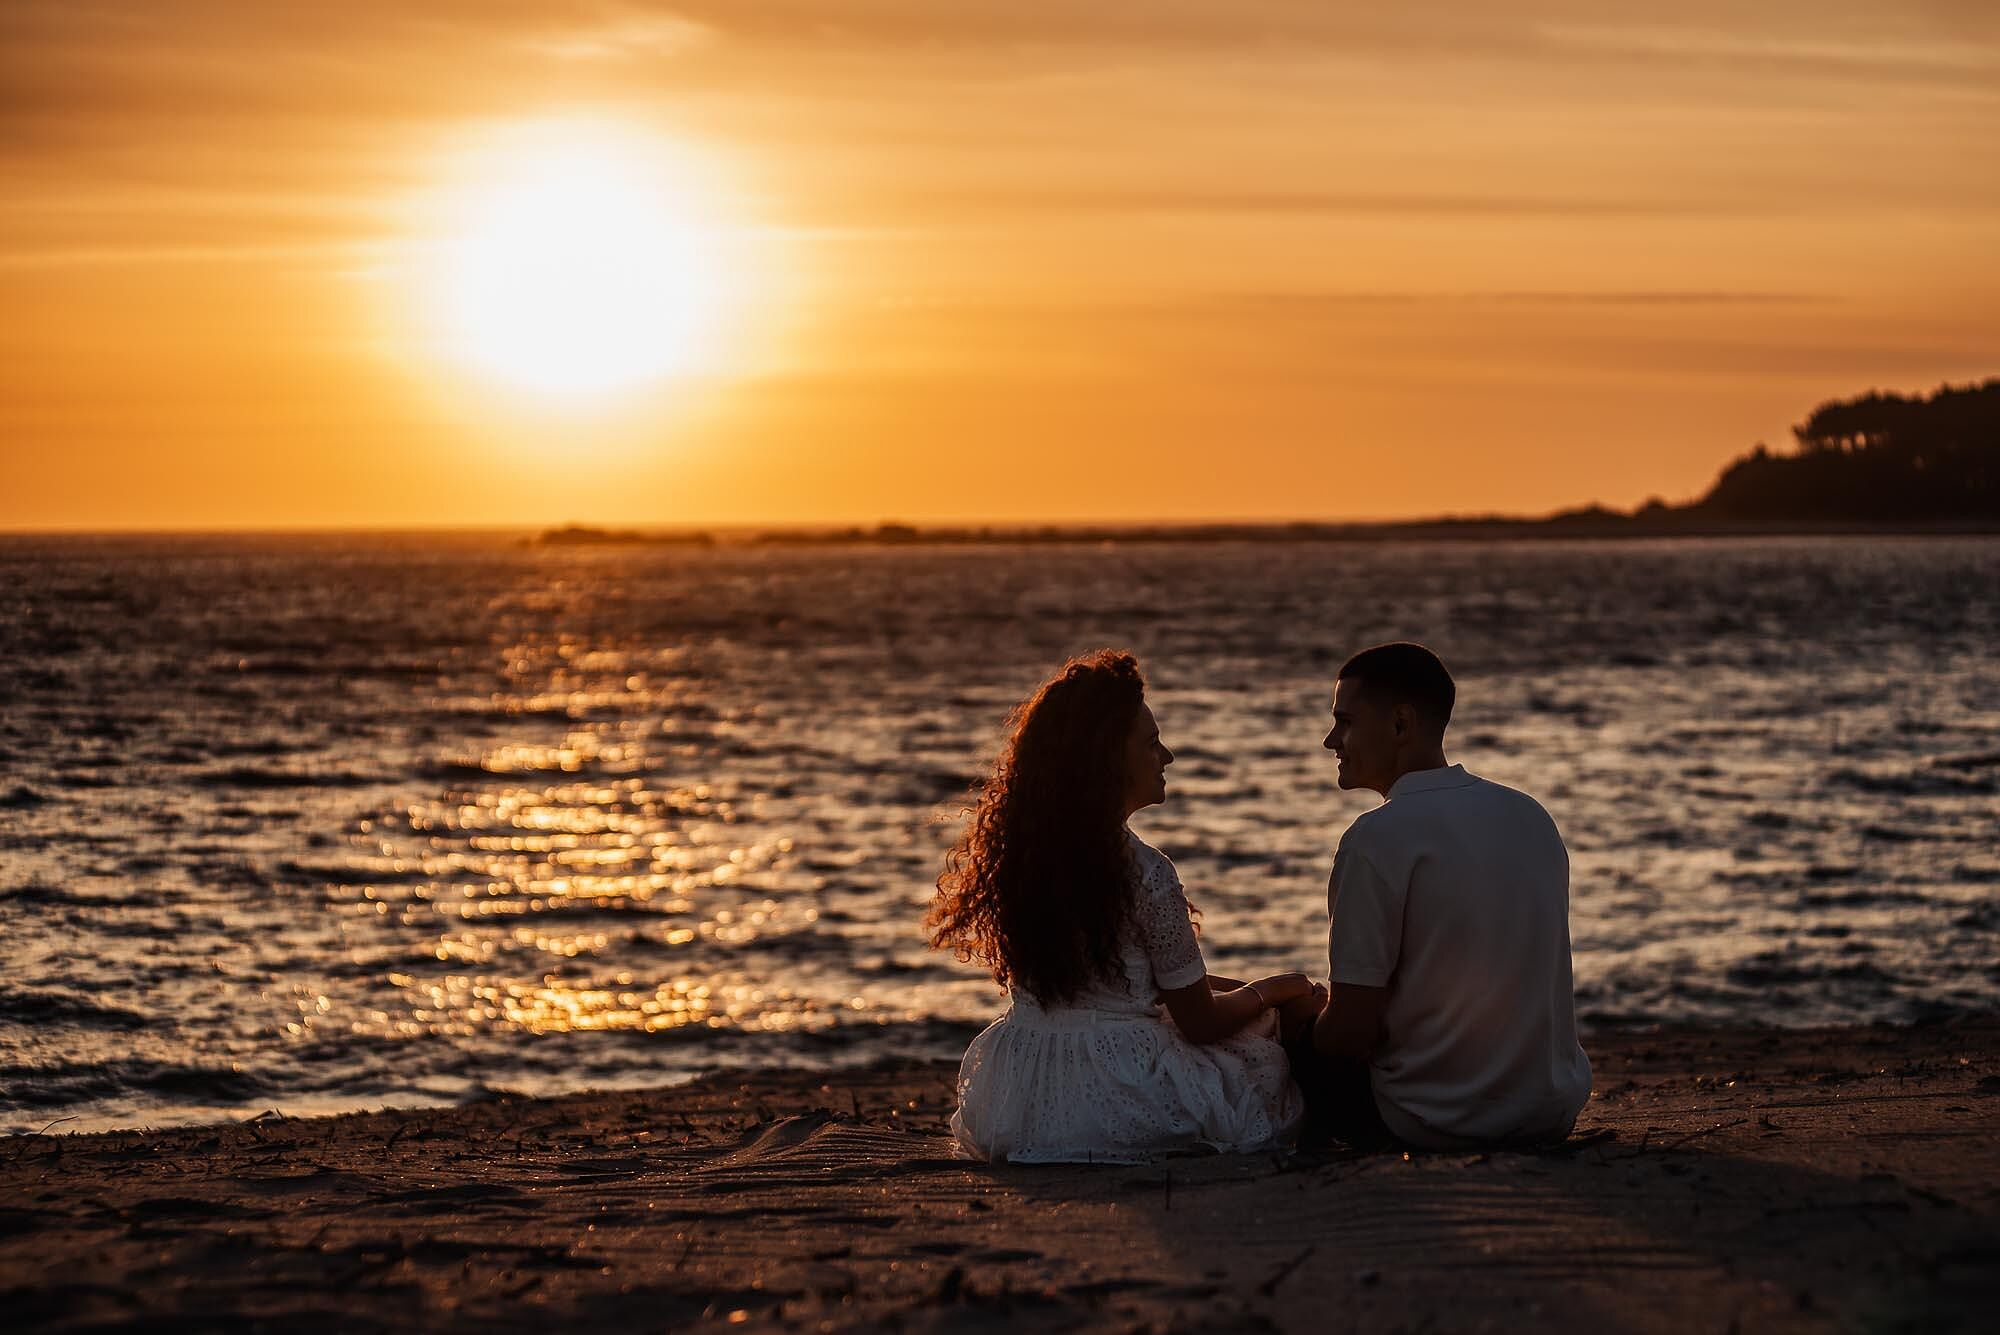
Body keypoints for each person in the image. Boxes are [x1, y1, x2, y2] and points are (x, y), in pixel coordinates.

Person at [931, 649, 1313, 1163]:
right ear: (1110, 759)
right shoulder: (1145, 871)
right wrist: (1276, 988)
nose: (1168, 757)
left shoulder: (1021, 859)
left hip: (1021, 1087)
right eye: (1153, 743)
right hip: (1120, 1084)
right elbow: (1199, 1021)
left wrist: (1245, 990)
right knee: (1267, 1063)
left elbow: (1134, 984)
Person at [1295, 642, 1592, 1150]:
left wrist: (1298, 1013)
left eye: (1344, 722)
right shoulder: (1530, 815)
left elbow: (1350, 1035)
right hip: (1550, 1108)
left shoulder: (1375, 838)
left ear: (1400, 724)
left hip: (1430, 1118)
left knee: (1282, 1034)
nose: (1330, 741)